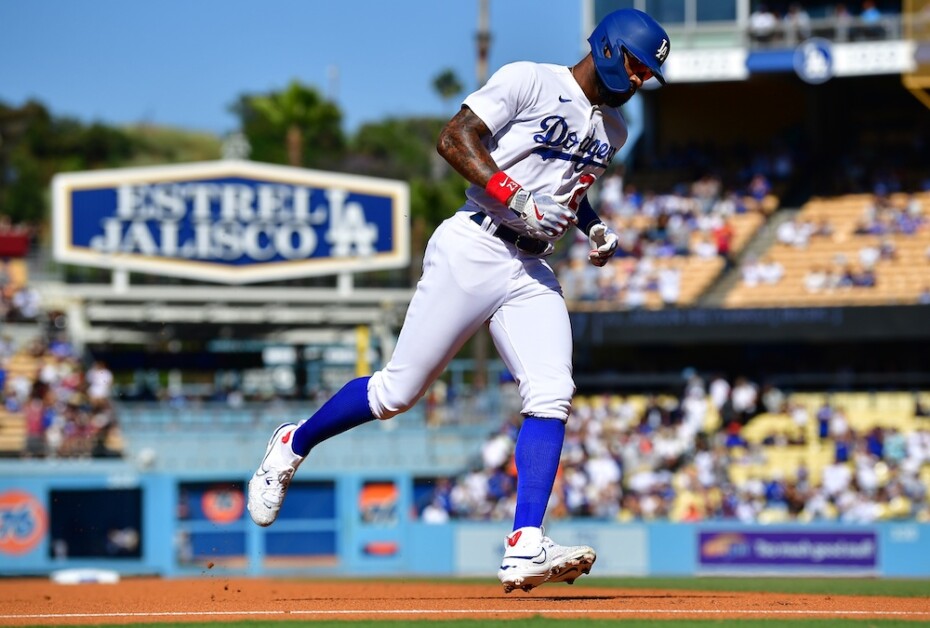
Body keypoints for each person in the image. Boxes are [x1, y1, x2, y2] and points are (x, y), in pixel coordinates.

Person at [246, 8, 670, 593]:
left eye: (648, 73)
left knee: (552, 391)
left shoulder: (615, 131)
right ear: (608, 47)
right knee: (396, 393)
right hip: (476, 243)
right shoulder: (531, 80)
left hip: (531, 265)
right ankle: (294, 443)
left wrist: (592, 228)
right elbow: (455, 138)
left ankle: (524, 546)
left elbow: (567, 191)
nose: (641, 79)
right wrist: (516, 198)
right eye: (638, 64)